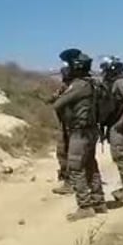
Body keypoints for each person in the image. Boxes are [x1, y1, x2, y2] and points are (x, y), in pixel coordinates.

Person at [53, 48, 106, 221]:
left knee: (75, 168)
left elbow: (58, 104)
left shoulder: (78, 85)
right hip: (90, 130)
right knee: (91, 165)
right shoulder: (91, 83)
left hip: (80, 132)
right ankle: (99, 201)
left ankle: (85, 206)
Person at [99, 56, 123, 201]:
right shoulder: (110, 83)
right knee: (119, 155)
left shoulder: (121, 82)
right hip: (113, 123)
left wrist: (121, 121)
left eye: (105, 68)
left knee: (120, 155)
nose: (103, 72)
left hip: (118, 123)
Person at [51, 64, 73, 195]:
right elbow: (53, 99)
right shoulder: (64, 86)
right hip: (65, 124)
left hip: (73, 126)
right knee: (62, 152)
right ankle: (66, 177)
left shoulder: (75, 87)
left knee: (70, 154)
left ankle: (70, 182)